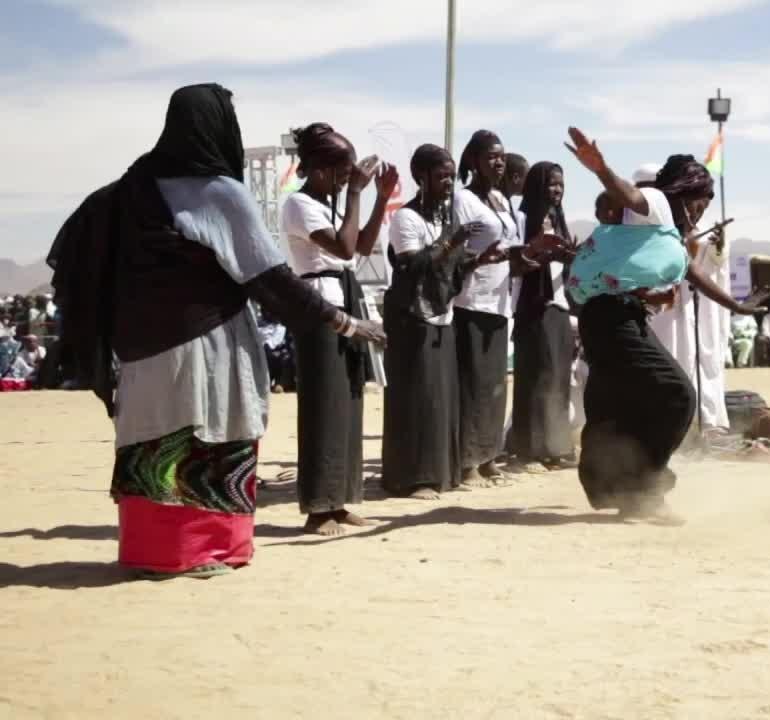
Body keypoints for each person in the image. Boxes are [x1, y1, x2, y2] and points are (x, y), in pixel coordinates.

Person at [46, 84, 383, 578]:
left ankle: (151, 550)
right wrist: (346, 321)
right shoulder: (221, 193)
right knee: (206, 437)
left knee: (152, 440)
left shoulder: (131, 189)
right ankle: (201, 550)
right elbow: (271, 278)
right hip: (204, 348)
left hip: (139, 352)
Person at [564, 127, 764, 522]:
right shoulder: (656, 203)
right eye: (701, 201)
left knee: (620, 405)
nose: (702, 210)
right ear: (685, 192)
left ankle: (626, 491)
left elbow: (693, 273)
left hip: (620, 315)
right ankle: (645, 489)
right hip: (609, 316)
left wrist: (738, 307)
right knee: (677, 394)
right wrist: (601, 169)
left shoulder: (669, 230)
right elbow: (630, 194)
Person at [282, 122, 395, 535]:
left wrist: (380, 199)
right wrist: (356, 194)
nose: (348, 180)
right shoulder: (299, 205)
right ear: (319, 170)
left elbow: (361, 246)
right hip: (319, 307)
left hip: (345, 298)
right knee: (323, 406)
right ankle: (318, 507)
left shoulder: (328, 204)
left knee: (348, 403)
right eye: (343, 173)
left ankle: (340, 500)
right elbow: (345, 249)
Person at [381, 144, 495, 499]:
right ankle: (413, 478)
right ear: (422, 177)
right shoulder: (407, 218)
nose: (448, 182)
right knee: (417, 399)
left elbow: (449, 269)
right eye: (441, 176)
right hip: (411, 319)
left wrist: (480, 260)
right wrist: (451, 242)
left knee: (440, 399)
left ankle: (440, 473)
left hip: (442, 316)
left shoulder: (443, 219)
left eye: (451, 176)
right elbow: (413, 266)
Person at [453, 130, 530, 485]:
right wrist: (479, 259)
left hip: (500, 300)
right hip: (472, 299)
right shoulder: (462, 200)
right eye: (491, 156)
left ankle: (488, 456)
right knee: (473, 384)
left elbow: (509, 247)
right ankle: (467, 461)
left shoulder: (500, 199)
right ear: (473, 161)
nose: (499, 162)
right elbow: (453, 250)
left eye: (501, 156)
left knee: (494, 385)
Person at [508, 161, 578, 470]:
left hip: (559, 306)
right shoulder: (523, 219)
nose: (557, 189)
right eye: (551, 184)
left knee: (559, 378)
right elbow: (517, 260)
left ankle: (557, 446)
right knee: (538, 377)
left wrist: (569, 256)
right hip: (534, 307)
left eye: (561, 184)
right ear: (537, 186)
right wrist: (544, 253)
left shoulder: (559, 220)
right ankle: (531, 449)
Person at [649, 203, 734, 434]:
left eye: (701, 206)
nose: (695, 212)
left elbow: (717, 264)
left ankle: (705, 419)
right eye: (690, 206)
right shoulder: (659, 227)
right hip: (669, 308)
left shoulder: (707, 229)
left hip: (701, 306)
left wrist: (719, 246)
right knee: (673, 356)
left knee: (704, 359)